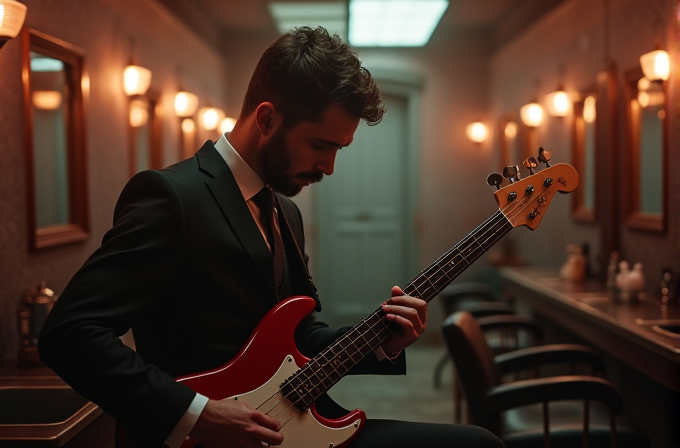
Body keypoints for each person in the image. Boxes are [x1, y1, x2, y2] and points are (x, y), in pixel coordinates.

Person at [39, 26, 504, 448]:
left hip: (294, 428)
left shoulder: (285, 211)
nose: (329, 167)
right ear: (266, 119)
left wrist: (384, 340)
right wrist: (196, 415)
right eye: (321, 145)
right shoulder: (171, 197)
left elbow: (300, 335)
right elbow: (70, 334)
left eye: (339, 149)